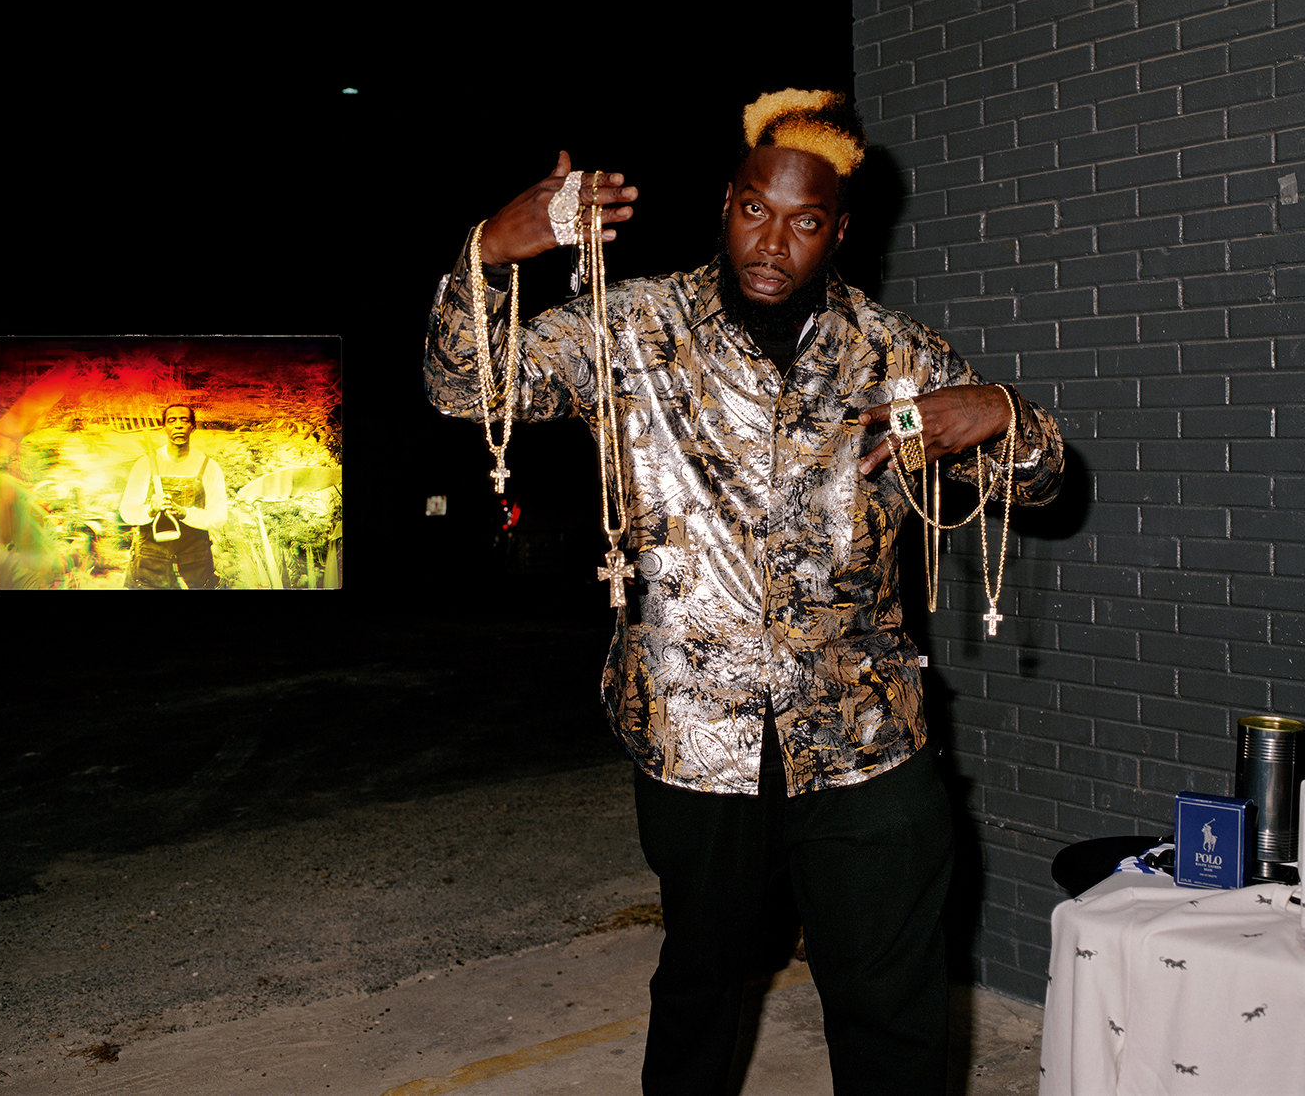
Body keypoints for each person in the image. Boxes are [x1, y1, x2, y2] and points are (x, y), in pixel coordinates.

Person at [425, 90, 1064, 1095]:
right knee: (701, 989)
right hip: (696, 733)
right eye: (755, 209)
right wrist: (492, 253)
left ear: (839, 229)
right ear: (727, 202)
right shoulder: (634, 328)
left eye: (806, 220)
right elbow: (468, 384)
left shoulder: (894, 356)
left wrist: (1005, 413)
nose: (774, 241)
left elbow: (1037, 486)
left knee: (892, 1000)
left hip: (866, 736)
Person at [118, 404, 227, 589]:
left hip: (194, 563)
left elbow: (219, 516)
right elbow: (126, 511)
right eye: (171, 421)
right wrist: (151, 510)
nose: (178, 425)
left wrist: (185, 513)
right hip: (150, 562)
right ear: (164, 427)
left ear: (193, 427)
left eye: (184, 420)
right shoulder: (145, 464)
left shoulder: (208, 466)